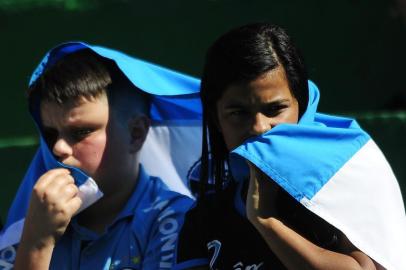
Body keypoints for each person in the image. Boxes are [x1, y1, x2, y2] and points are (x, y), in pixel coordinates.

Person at [175, 23, 406, 270]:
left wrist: (267, 222)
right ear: (216, 118)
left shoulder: (338, 184)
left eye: (274, 109)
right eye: (238, 112)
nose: (259, 127)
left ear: (301, 106)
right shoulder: (203, 219)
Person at [12, 46, 195, 269]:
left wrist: (38, 244)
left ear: (136, 133)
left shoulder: (177, 219)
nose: (58, 148)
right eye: (50, 134)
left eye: (81, 132)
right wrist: (37, 242)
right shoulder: (33, 220)